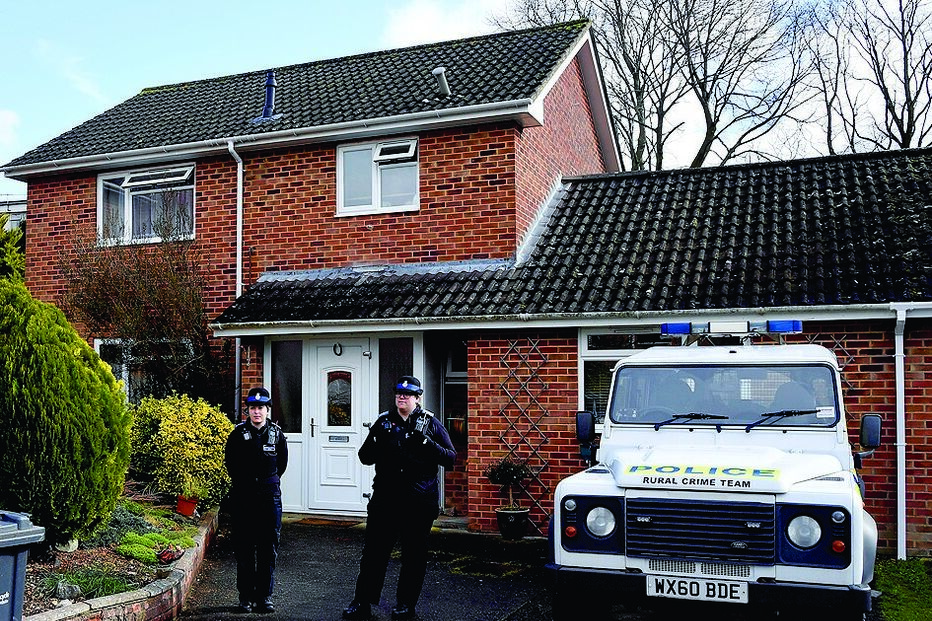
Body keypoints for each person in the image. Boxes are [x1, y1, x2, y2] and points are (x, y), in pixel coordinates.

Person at [343, 376, 456, 621]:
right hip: (386, 499)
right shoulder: (384, 423)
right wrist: (375, 441)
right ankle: (362, 602)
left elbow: (450, 458)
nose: (401, 397)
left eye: (408, 394)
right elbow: (364, 457)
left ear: (417, 398)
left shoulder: (430, 423)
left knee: (414, 556)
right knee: (374, 553)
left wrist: (426, 443)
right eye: (398, 393)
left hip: (418, 501)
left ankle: (405, 605)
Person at [224, 386, 288, 614]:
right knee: (244, 548)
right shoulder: (237, 434)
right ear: (247, 411)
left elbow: (281, 465)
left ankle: (264, 596)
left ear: (268, 409)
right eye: (252, 408)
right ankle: (245, 597)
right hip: (244, 497)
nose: (257, 412)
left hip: (269, 497)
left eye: (261, 407)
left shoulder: (277, 434)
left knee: (268, 547)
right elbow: (230, 464)